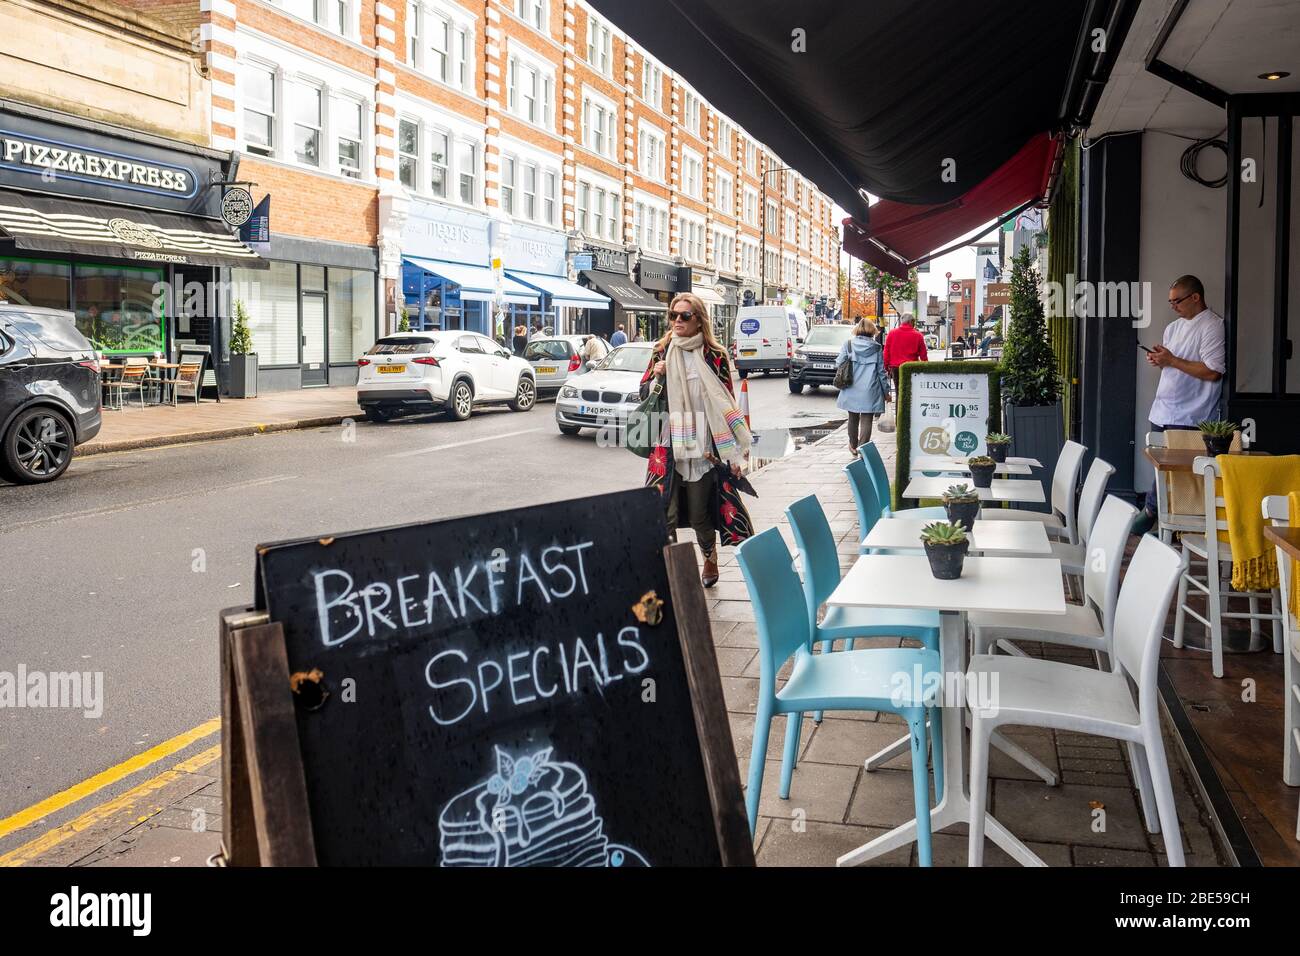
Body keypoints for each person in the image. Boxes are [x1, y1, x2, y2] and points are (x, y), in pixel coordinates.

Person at [640, 292, 753, 588]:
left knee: (702, 515)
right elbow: (643, 397)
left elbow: (726, 402)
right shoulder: (662, 350)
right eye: (673, 315)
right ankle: (675, 571)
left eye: (684, 316)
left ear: (698, 320)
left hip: (704, 447)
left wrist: (734, 454)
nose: (677, 320)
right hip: (669, 448)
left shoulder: (714, 356)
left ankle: (709, 556)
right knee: (665, 513)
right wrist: (657, 378)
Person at [1130, 275, 1226, 536]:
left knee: (1176, 472)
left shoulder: (1212, 326)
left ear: (1195, 297)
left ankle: (1152, 513)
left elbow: (1213, 371)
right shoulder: (1173, 328)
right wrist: (1160, 359)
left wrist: (1171, 360)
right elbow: (1173, 363)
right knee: (1160, 468)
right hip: (1163, 407)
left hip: (1190, 412)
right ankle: (1161, 519)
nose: (1173, 306)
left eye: (1177, 301)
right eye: (1171, 302)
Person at [836, 318, 891, 456]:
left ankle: (853, 445)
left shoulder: (848, 345)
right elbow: (881, 372)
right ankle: (862, 449)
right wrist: (886, 392)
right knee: (867, 419)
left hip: (851, 387)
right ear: (872, 331)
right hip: (870, 389)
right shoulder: (876, 348)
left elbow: (839, 363)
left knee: (852, 417)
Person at [882, 313, 928, 393]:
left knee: (899, 392)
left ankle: (898, 405)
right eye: (913, 322)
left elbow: (886, 352)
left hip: (895, 367)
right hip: (912, 367)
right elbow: (923, 355)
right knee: (911, 393)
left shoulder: (891, 334)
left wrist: (886, 367)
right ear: (911, 322)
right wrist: (925, 369)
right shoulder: (918, 335)